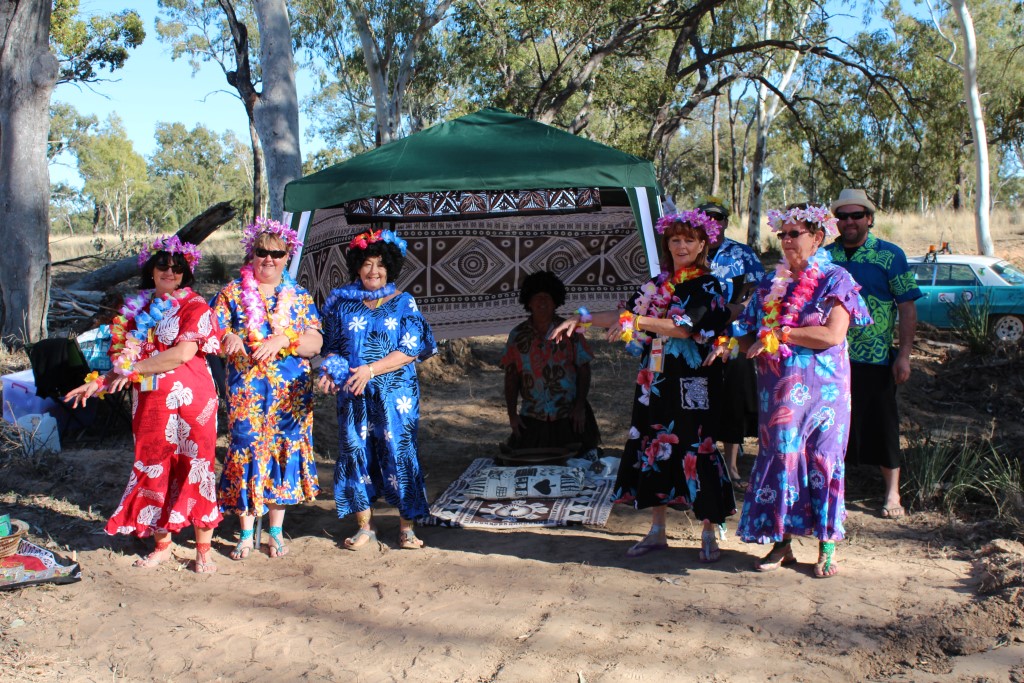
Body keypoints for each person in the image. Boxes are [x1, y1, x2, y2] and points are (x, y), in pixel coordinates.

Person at [553, 210, 735, 562]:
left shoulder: (708, 286)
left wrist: (634, 320)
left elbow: (682, 328)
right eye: (675, 239)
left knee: (698, 447)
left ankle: (709, 532)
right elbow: (625, 312)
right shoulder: (656, 284)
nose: (681, 246)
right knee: (655, 443)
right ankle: (657, 530)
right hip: (655, 380)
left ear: (702, 245)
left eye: (689, 240)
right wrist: (581, 318)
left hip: (693, 382)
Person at [726, 203, 871, 578]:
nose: (787, 241)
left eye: (795, 234)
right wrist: (732, 341)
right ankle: (783, 543)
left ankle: (827, 546)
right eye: (783, 234)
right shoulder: (769, 284)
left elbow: (832, 334)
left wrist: (780, 334)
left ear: (818, 237)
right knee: (781, 460)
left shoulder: (836, 279)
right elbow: (745, 333)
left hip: (824, 394)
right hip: (777, 394)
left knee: (823, 460)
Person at [65, 236, 223, 573]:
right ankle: (162, 545)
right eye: (163, 265)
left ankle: (203, 551)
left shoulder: (195, 306)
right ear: (150, 269)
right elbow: (125, 363)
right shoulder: (134, 312)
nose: (169, 271)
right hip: (151, 403)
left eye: (178, 267)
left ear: (186, 273)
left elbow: (182, 354)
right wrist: (99, 383)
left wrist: (132, 369)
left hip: (193, 403)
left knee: (196, 466)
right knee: (154, 467)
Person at [317, 228, 437, 551]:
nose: (374, 271)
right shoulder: (342, 305)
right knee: (356, 452)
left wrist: (371, 370)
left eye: (380, 265)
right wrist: (330, 370)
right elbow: (330, 348)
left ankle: (407, 528)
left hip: (395, 396)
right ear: (357, 266)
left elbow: (412, 348)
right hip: (354, 396)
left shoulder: (403, 303)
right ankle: (364, 527)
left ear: (390, 268)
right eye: (367, 264)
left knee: (400, 451)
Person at [213, 218, 323, 560]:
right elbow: (210, 334)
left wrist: (284, 339)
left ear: (287, 256)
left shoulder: (300, 297)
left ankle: (274, 531)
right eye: (262, 252)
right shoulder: (232, 293)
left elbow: (316, 342)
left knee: (283, 452)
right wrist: (227, 336)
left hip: (290, 397)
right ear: (252, 254)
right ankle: (246, 533)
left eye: (277, 253)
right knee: (246, 450)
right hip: (247, 392)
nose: (269, 259)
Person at [825, 189, 921, 520]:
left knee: (884, 424)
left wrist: (904, 355)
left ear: (869, 218)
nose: (849, 222)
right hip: (831, 359)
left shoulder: (890, 255)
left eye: (856, 216)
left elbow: (906, 306)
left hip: (877, 358)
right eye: (843, 216)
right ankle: (835, 491)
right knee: (835, 426)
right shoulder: (824, 257)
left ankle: (892, 494)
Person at [697, 196, 766, 485]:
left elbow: (761, 290)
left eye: (718, 218)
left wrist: (741, 308)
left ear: (725, 221)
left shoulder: (742, 253)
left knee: (733, 398)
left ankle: (732, 463)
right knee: (700, 397)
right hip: (698, 336)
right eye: (706, 218)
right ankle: (701, 458)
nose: (713, 224)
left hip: (735, 335)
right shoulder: (692, 250)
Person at [501, 271, 601, 453]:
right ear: (528, 303)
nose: (542, 302)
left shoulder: (571, 332)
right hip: (532, 418)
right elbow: (511, 377)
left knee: (576, 466)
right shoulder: (517, 336)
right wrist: (512, 414)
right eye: (537, 297)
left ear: (556, 302)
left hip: (569, 417)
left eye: (547, 297)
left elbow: (584, 370)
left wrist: (579, 407)